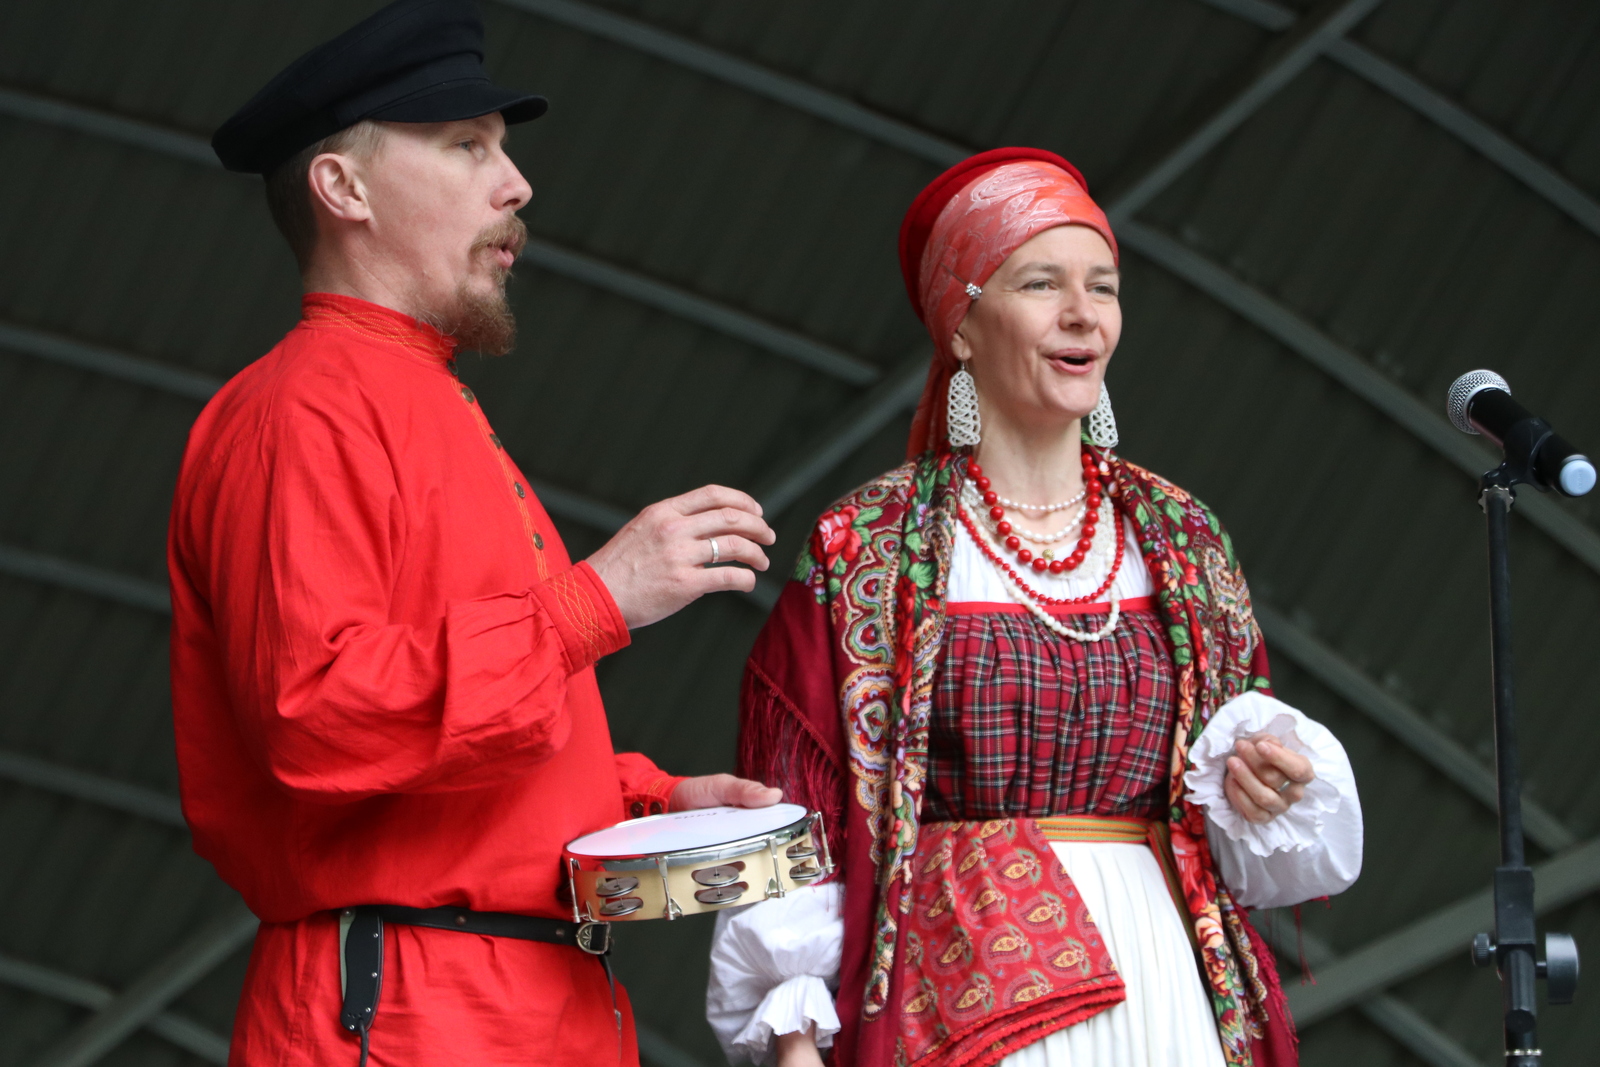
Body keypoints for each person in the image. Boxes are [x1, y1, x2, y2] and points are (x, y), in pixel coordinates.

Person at [167, 2, 779, 1064]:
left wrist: (649, 800)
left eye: (502, 148)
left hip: (527, 998)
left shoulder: (422, 396)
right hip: (407, 1004)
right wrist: (594, 601)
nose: (517, 184)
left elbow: (467, 760)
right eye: (466, 146)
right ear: (343, 189)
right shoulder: (305, 406)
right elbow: (315, 714)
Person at [706, 149, 1364, 1067]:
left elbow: (1237, 817)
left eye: (1104, 286)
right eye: (1041, 282)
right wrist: (794, 1035)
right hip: (964, 999)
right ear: (962, 325)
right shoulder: (871, 544)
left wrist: (1267, 786)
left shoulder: (1182, 536)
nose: (1083, 312)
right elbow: (799, 813)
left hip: (1165, 982)